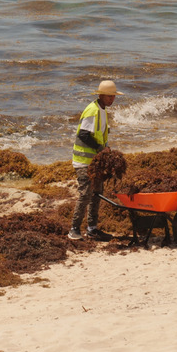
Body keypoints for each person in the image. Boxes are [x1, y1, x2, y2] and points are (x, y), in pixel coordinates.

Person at [67, 80, 122, 241]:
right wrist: (100, 149)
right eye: (109, 96)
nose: (112, 99)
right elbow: (83, 135)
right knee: (85, 194)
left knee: (97, 193)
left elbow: (100, 136)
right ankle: (74, 229)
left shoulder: (103, 111)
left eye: (113, 96)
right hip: (83, 162)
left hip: (95, 162)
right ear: (100, 95)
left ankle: (92, 229)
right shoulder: (92, 111)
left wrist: (106, 149)